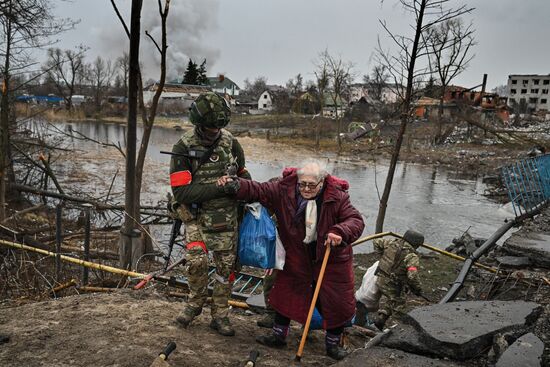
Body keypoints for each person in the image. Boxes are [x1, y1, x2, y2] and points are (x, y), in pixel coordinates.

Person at [218, 159, 364, 360]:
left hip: (330, 259)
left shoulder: (337, 197)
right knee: (286, 294)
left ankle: (333, 345)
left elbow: (355, 221)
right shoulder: (284, 189)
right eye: (302, 184)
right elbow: (259, 190)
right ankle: (279, 336)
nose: (305, 188)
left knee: (334, 301)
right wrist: (237, 184)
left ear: (322, 183)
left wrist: (340, 231)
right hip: (297, 254)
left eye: (311, 185)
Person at [170, 92, 251, 336]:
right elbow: (181, 192)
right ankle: (194, 305)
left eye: (218, 127)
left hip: (226, 217)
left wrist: (238, 183)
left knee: (226, 268)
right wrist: (218, 186)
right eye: (209, 128)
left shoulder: (231, 143)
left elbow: (246, 175)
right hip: (195, 215)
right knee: (197, 262)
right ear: (198, 124)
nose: (214, 131)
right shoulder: (183, 147)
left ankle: (220, 315)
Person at [371, 230, 424, 330]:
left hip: (380, 279)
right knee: (399, 307)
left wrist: (381, 257)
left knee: (392, 299)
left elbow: (376, 241)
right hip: (393, 285)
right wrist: (417, 289)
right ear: (416, 244)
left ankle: (380, 320)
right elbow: (412, 276)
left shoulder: (390, 243)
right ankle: (395, 331)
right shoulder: (411, 256)